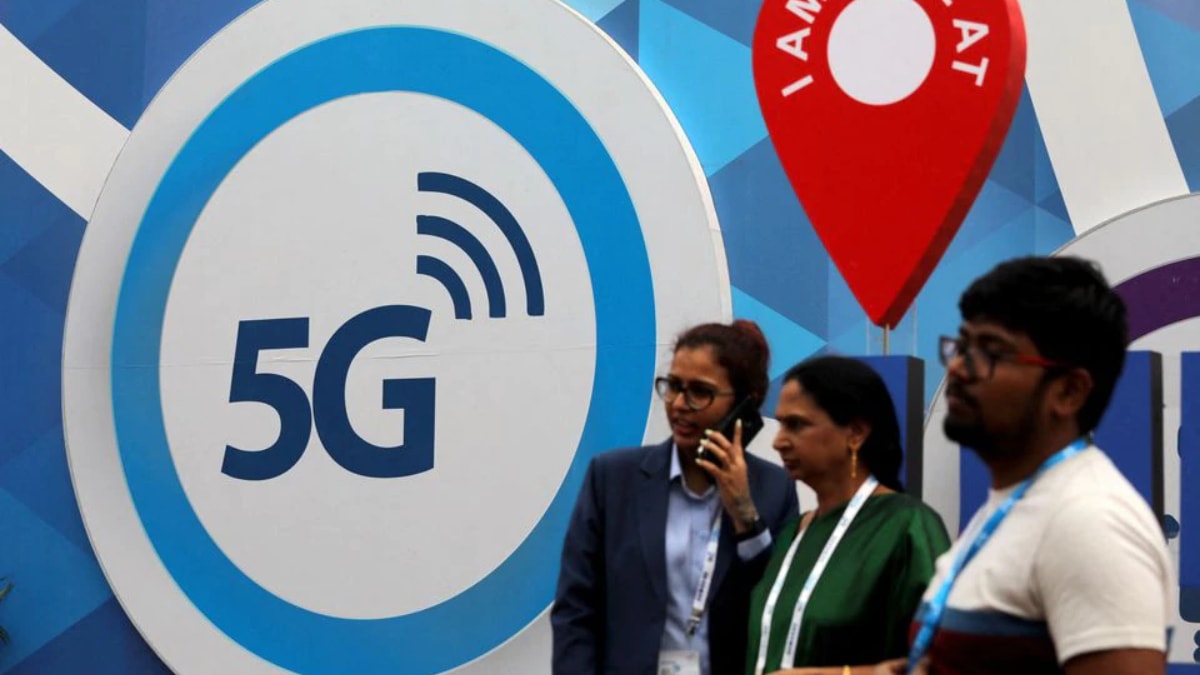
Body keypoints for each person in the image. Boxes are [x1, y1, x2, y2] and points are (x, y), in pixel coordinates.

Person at [882, 256, 1172, 675]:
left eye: (990, 352)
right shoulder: (1012, 504)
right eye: (962, 346)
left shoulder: (1090, 521)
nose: (958, 367)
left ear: (1069, 392)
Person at [552, 320, 799, 675]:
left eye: (700, 392)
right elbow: (576, 609)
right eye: (673, 387)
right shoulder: (612, 479)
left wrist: (746, 516)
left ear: (745, 404)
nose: (680, 404)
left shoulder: (774, 489)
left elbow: (779, 609)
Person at [745, 356, 951, 675]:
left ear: (855, 433)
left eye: (796, 424)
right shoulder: (794, 534)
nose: (778, 441)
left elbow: (942, 661)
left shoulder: (907, 528)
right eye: (780, 423)